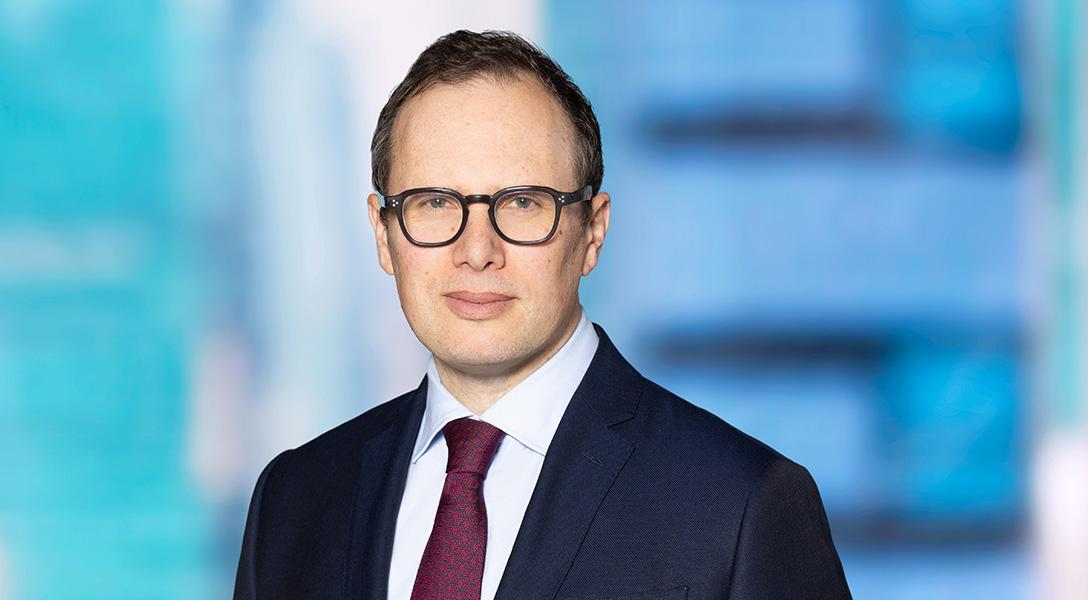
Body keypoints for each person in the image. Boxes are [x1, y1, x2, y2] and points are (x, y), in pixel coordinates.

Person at [234, 29, 851, 600]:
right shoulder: (294, 500)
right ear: (382, 233)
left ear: (593, 232)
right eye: (435, 203)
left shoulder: (741, 505)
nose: (477, 251)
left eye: (523, 203)